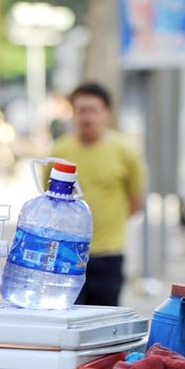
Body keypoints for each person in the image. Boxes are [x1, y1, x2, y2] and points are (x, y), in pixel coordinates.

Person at [50, 82, 147, 307]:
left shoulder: (125, 152)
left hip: (108, 253)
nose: (87, 117)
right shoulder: (60, 152)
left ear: (106, 113)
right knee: (66, 317)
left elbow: (135, 201)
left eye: (93, 110)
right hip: (66, 252)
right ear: (73, 113)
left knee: (103, 320)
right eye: (81, 110)